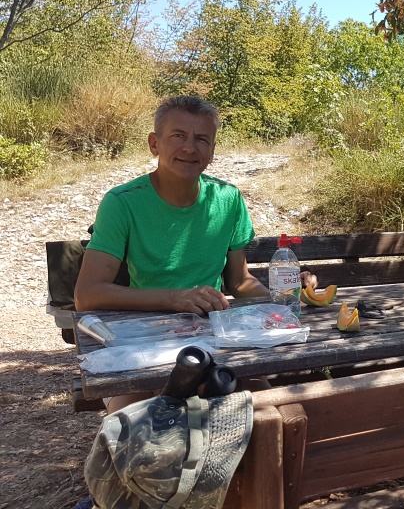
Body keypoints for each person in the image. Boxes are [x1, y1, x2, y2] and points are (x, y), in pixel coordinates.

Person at [75, 95, 314, 411]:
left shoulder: (228, 199)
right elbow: (86, 295)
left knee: (274, 411)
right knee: (133, 425)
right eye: (178, 136)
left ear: (212, 150)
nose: (190, 148)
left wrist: (283, 296)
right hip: (147, 341)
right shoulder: (122, 203)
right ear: (154, 143)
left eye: (202, 139)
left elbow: (239, 282)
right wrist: (175, 298)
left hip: (216, 336)